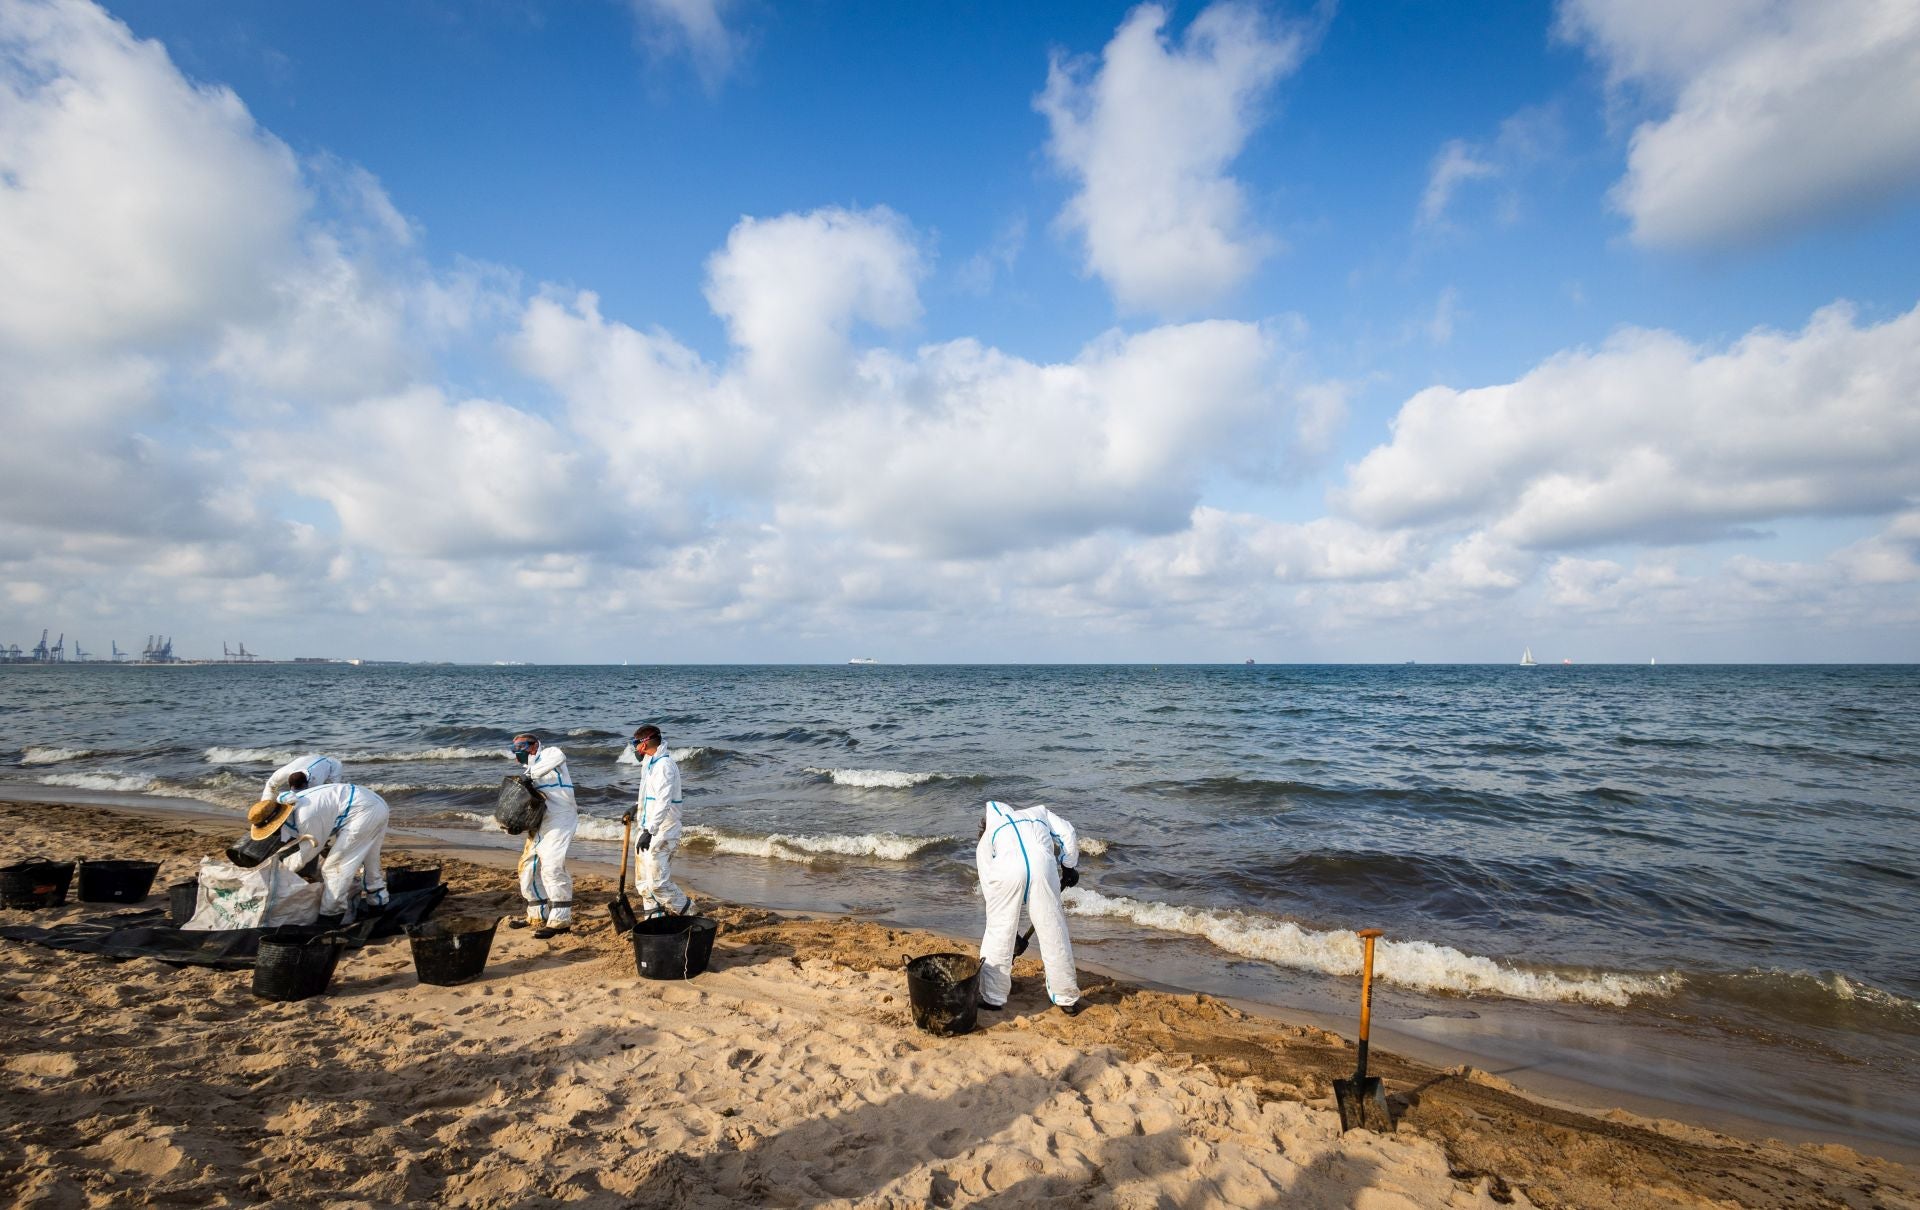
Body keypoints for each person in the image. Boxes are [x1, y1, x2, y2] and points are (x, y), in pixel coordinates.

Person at [976, 799, 1082, 1015]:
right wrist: (1068, 864)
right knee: (1053, 930)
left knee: (998, 932)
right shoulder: (1038, 813)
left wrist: (1010, 933)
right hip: (1042, 865)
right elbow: (1068, 833)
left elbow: (990, 887)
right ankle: (1066, 998)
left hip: (1007, 872)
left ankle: (993, 998)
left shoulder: (988, 838)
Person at [244, 782, 389, 922]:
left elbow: (310, 850)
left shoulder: (305, 816)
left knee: (334, 868)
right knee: (370, 861)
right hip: (369, 803)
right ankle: (378, 905)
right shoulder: (286, 807)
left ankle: (331, 915)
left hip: (363, 811)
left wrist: (281, 870)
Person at [509, 732, 578, 938]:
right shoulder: (528, 770)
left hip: (561, 818)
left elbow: (559, 757)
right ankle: (537, 914)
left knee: (552, 866)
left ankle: (560, 921)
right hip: (539, 822)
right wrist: (513, 824)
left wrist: (529, 776)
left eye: (520, 748)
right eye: (514, 749)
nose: (517, 753)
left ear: (534, 745)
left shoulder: (550, 754)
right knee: (527, 867)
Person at [624, 725, 688, 914]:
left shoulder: (664, 766)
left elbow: (663, 802)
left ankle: (691, 913)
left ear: (644, 744)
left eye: (636, 744)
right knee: (643, 883)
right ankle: (655, 919)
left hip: (663, 830)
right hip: (648, 827)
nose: (634, 749)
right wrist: (636, 806)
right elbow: (647, 792)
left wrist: (650, 831)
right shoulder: (650, 762)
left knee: (658, 884)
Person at [262, 754, 343, 801]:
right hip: (310, 759)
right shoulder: (283, 772)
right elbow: (270, 784)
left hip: (333, 766)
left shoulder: (315, 782)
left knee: (334, 791)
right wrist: (266, 802)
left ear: (307, 784)